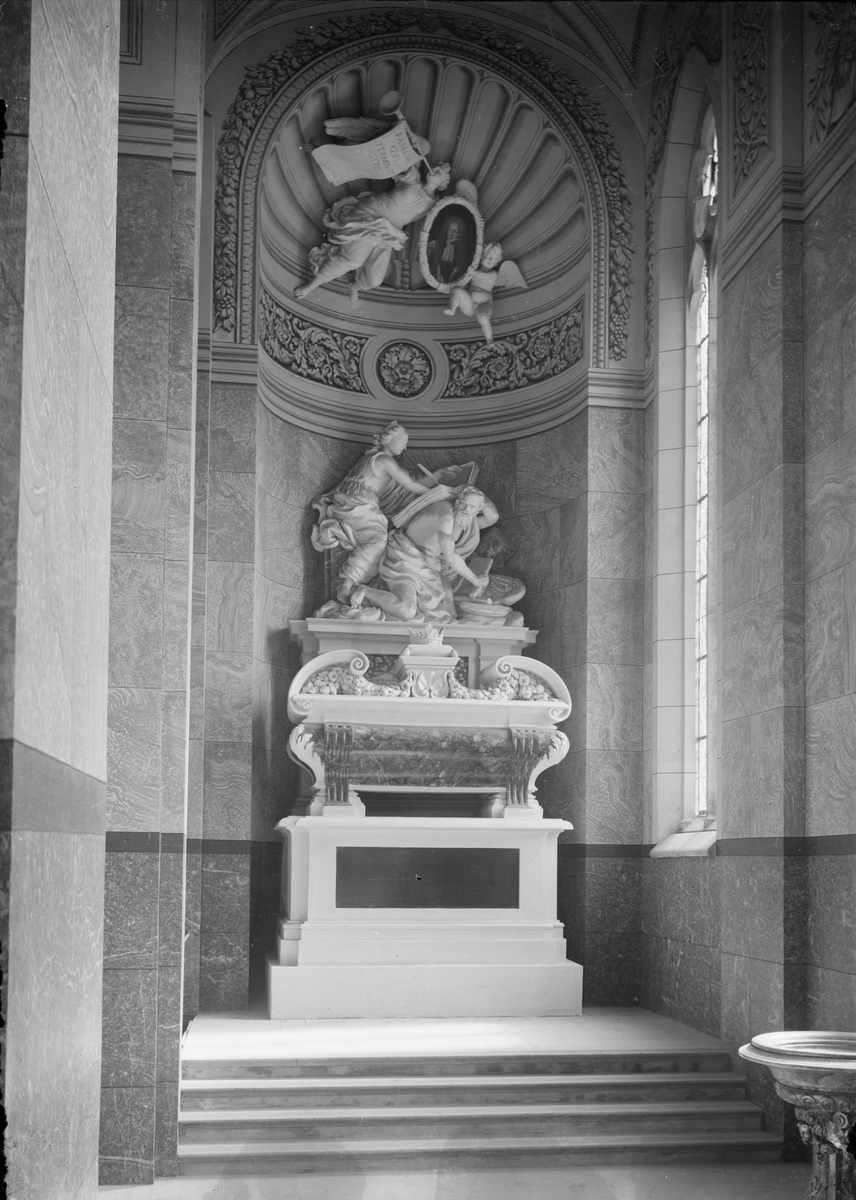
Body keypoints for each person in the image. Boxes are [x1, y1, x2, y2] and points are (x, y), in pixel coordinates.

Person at [295, 162, 452, 304]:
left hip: (389, 233)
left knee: (374, 280)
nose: (435, 169)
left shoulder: (434, 205)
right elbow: (403, 160)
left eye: (440, 171)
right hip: (370, 216)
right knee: (353, 260)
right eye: (436, 167)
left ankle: (355, 287)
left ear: (443, 183)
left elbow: (454, 208)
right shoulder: (412, 179)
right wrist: (418, 146)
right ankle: (311, 286)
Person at [311, 423, 431, 603]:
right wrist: (437, 494)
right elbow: (411, 485)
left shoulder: (369, 457)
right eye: (403, 441)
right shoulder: (385, 460)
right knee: (378, 538)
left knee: (386, 536)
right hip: (359, 503)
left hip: (351, 500)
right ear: (390, 439)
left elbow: (407, 487)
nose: (405, 447)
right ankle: (347, 584)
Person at [350, 485, 499, 623]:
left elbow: (492, 517)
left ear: (479, 509)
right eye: (463, 503)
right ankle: (364, 590)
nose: (466, 508)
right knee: (406, 610)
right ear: (457, 500)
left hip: (431, 565)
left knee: (451, 615)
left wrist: (472, 490)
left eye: (472, 506)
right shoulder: (445, 515)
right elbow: (450, 555)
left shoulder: (466, 520)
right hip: (407, 558)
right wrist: (475, 579)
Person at [443, 242, 526, 343]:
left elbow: (483, 276)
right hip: (470, 305)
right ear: (482, 256)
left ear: (497, 262)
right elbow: (463, 281)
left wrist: (472, 272)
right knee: (457, 290)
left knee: (483, 317)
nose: (490, 259)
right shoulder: (474, 271)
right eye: (488, 256)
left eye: (493, 258)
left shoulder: (493, 274)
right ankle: (452, 308)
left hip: (484, 303)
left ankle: (489, 338)